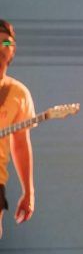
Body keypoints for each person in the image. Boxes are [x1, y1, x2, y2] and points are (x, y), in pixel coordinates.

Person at [0, 19, 35, 239]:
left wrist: (28, 191)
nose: (1, 47)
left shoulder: (18, 93)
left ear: (13, 50)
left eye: (6, 43)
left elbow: (20, 144)